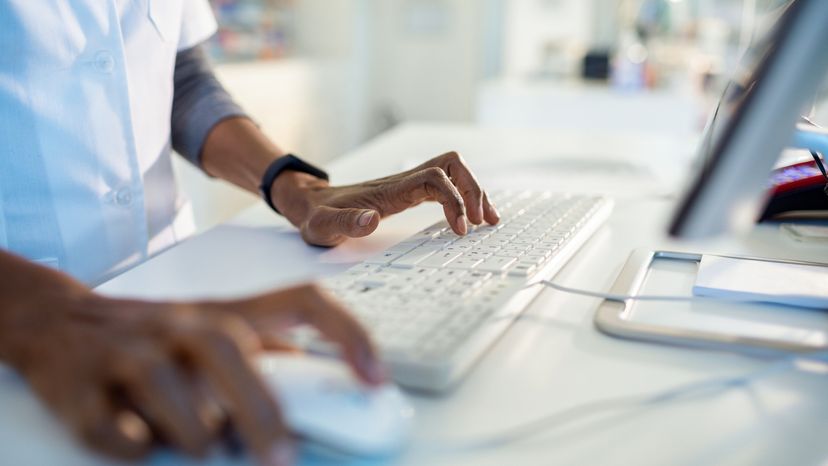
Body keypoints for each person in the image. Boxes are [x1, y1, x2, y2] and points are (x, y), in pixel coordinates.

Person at [0, 2, 499, 465]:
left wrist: (294, 185)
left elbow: (183, 80)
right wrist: (37, 311)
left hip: (174, 278)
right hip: (27, 337)